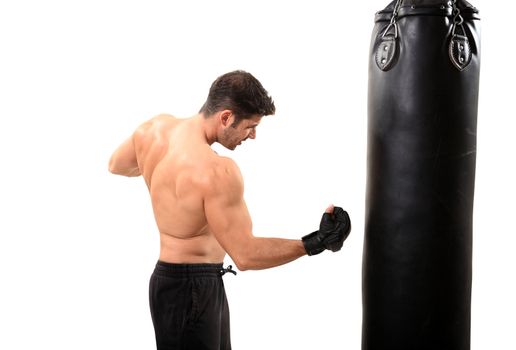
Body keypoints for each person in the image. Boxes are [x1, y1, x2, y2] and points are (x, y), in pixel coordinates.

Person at [108, 70, 351, 350]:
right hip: (195, 290)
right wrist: (315, 243)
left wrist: (158, 172)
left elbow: (117, 164)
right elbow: (245, 255)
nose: (253, 135)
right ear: (225, 117)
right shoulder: (217, 171)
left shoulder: (152, 131)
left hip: (165, 283)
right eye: (250, 126)